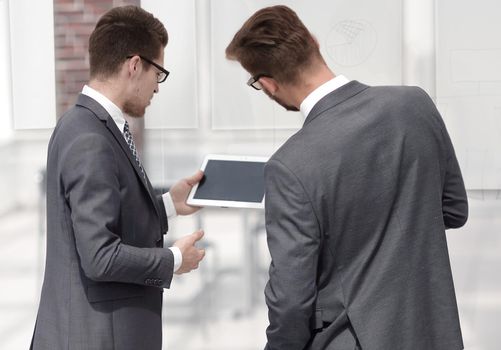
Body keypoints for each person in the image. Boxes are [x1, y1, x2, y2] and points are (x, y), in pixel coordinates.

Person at [226, 5, 468, 350]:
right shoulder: (415, 104)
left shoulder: (290, 165)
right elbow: (455, 210)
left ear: (267, 84)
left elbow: (292, 301)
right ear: (314, 41)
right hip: (432, 331)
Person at [31, 6, 205, 350]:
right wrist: (172, 261)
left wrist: (169, 204)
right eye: (160, 72)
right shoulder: (91, 139)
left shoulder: (80, 123)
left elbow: (109, 210)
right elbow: (99, 256)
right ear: (135, 65)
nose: (158, 87)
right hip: (97, 336)